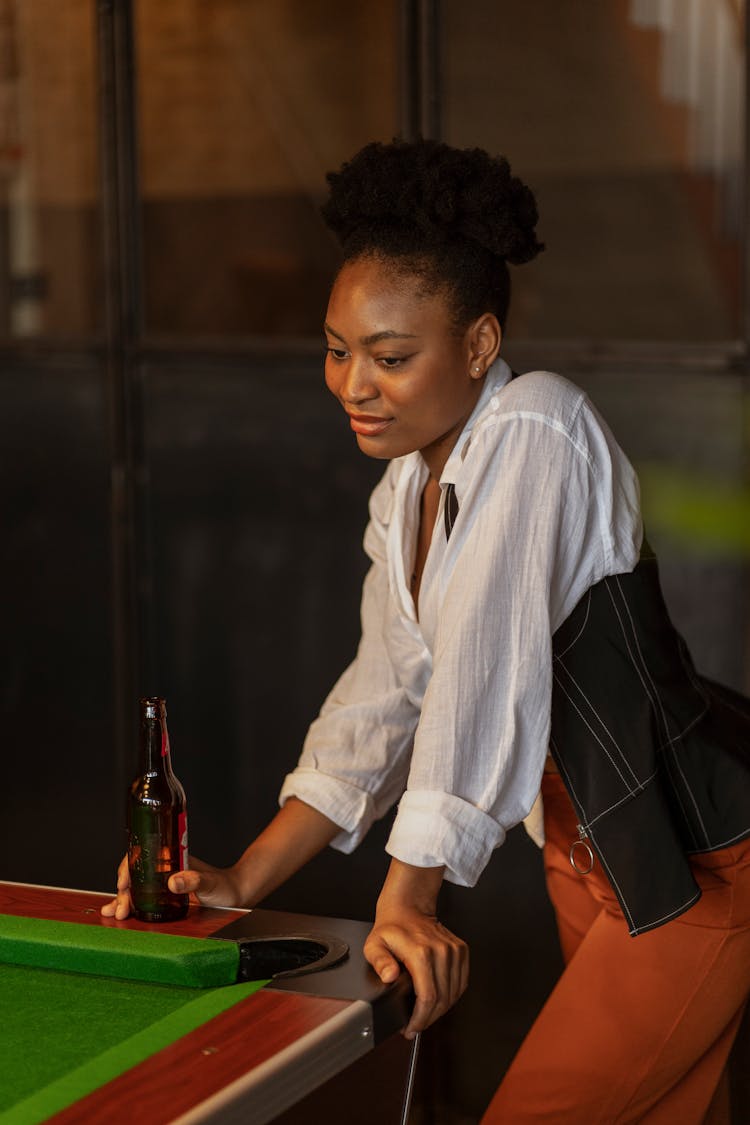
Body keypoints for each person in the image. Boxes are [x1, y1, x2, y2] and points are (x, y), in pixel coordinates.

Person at [104, 139, 750, 1122]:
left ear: (481, 346)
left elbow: (481, 674)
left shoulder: (537, 427)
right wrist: (243, 875)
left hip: (694, 870)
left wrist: (410, 895)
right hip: (592, 871)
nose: (353, 384)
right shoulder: (403, 493)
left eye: (391, 357)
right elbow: (384, 697)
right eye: (336, 348)